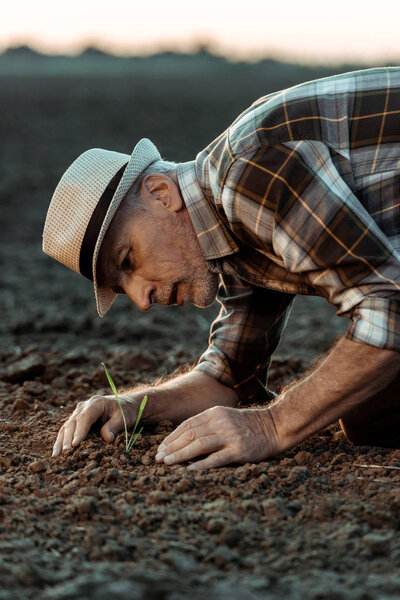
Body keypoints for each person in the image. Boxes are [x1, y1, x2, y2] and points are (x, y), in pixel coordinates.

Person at [43, 67, 400, 470]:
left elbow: (388, 309)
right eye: (122, 286)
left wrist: (273, 425)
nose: (142, 299)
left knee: (370, 407)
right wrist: (134, 405)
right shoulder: (230, 243)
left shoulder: (247, 174)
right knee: (373, 408)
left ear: (160, 192)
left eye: (127, 261)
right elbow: (230, 379)